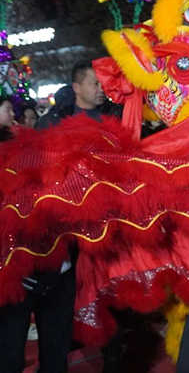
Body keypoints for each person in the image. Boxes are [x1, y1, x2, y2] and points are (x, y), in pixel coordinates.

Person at [0, 98, 76, 373]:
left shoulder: (47, 160)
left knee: (56, 355)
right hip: (13, 276)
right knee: (9, 356)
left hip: (58, 271)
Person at [37, 62, 118, 129]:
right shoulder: (54, 121)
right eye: (95, 84)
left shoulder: (117, 115)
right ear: (76, 88)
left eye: (103, 83)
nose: (101, 89)